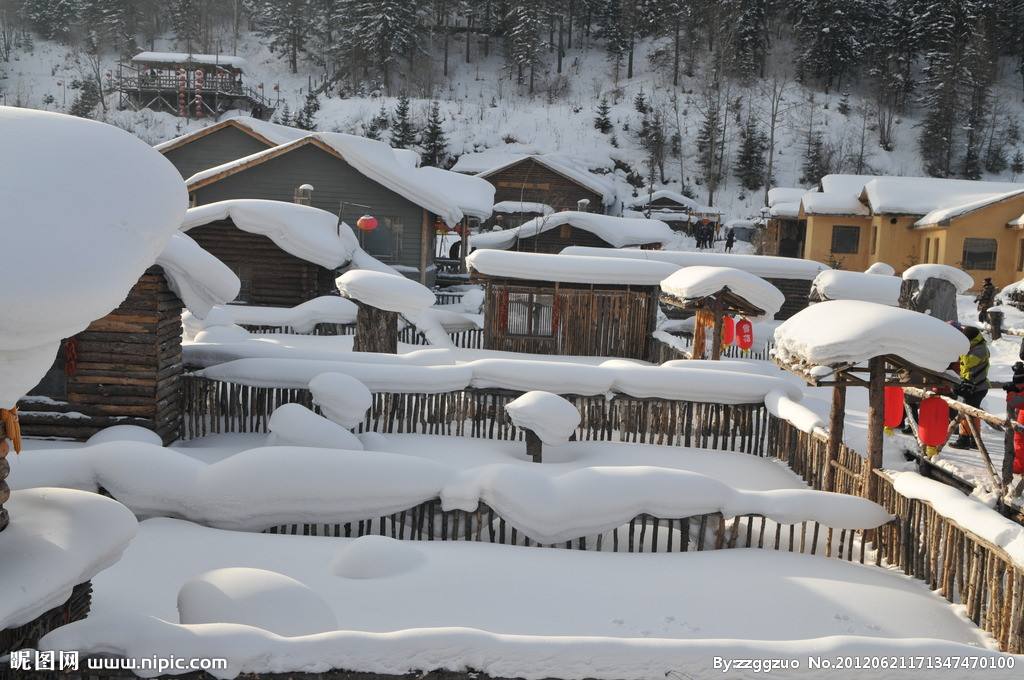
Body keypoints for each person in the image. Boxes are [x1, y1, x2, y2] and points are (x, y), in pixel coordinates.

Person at [952, 325, 990, 449]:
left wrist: (962, 350)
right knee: (973, 412)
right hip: (974, 385)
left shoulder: (980, 349)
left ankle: (964, 440)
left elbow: (967, 363)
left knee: (965, 411)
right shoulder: (976, 346)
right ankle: (974, 439)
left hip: (977, 386)